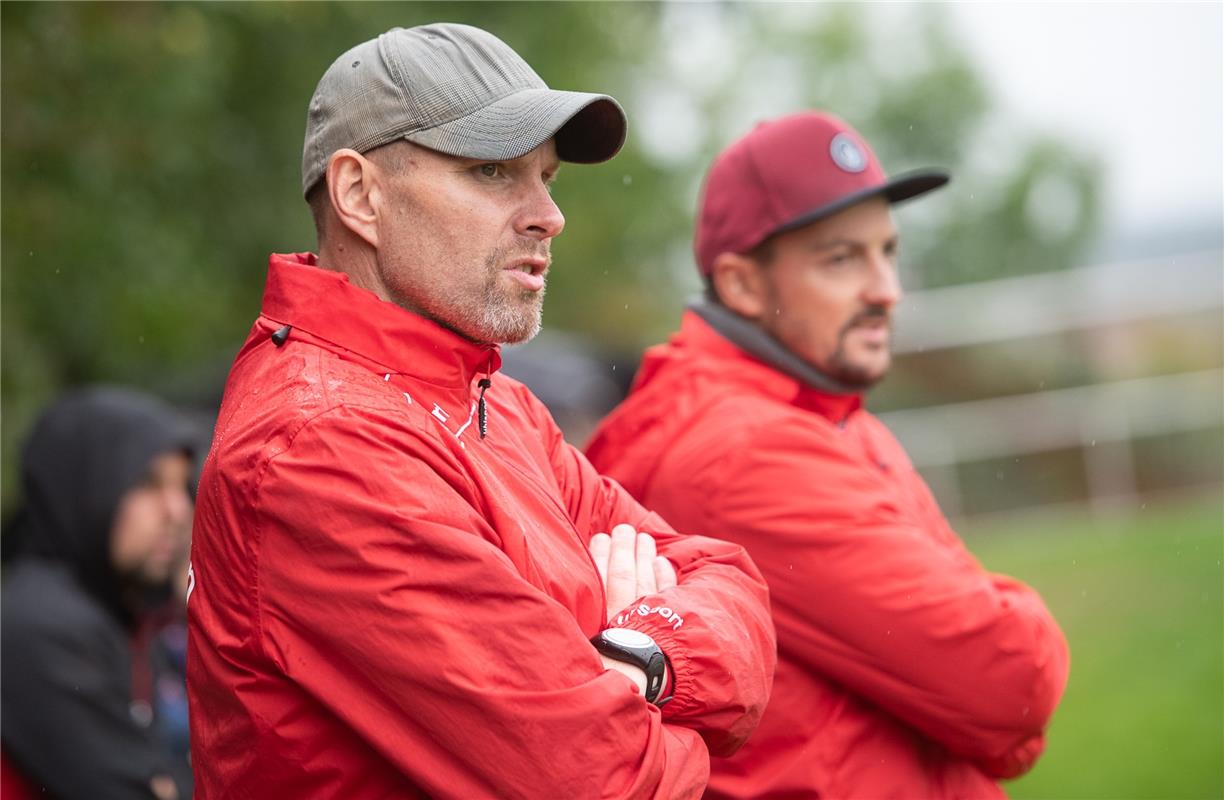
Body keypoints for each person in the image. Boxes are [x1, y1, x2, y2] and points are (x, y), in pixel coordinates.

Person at [186, 23, 775, 800]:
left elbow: (732, 585)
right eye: (493, 170)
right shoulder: (319, 446)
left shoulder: (496, 401)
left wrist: (638, 653)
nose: (547, 216)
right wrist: (647, 690)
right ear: (360, 194)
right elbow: (599, 782)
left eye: (548, 178)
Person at [586, 111, 1071, 798]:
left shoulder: (816, 407)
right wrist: (1017, 617)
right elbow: (1010, 684)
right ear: (743, 285)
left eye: (888, 252)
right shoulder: (742, 451)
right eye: (841, 258)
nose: (886, 290)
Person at [1, 386, 197, 800]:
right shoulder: (39, 626)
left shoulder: (125, 614)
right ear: (83, 485)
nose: (177, 510)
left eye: (182, 486)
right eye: (148, 484)